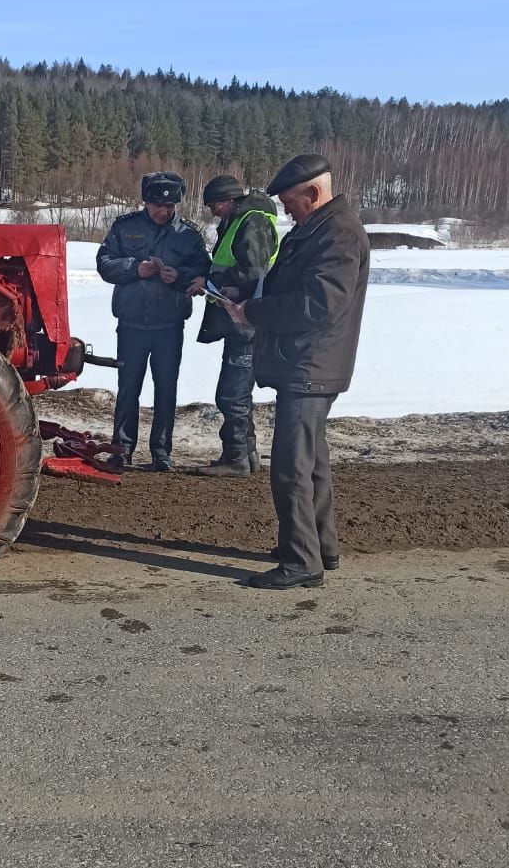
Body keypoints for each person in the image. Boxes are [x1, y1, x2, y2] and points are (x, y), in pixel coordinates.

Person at [220, 154, 370, 589]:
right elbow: (286, 284)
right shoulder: (315, 229)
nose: (285, 210)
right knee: (312, 461)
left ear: (313, 192)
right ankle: (320, 546)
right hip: (306, 362)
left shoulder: (339, 233)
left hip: (312, 364)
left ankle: (301, 561)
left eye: (289, 201)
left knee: (289, 466)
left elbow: (319, 304)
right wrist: (245, 293)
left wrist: (255, 312)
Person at [96, 172, 210, 471]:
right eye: (158, 205)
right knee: (128, 387)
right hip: (132, 323)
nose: (164, 211)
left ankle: (161, 453)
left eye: (170, 206)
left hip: (169, 325)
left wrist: (181, 278)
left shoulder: (188, 234)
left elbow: (203, 271)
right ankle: (122, 449)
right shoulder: (125, 227)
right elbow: (105, 263)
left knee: (166, 388)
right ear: (146, 202)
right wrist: (134, 268)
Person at [187, 175, 279, 475]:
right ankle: (246, 456)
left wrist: (212, 282)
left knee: (231, 394)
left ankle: (236, 458)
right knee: (236, 392)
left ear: (229, 200)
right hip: (238, 320)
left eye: (215, 205)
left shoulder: (252, 222)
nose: (212, 211)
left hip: (247, 322)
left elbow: (253, 271)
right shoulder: (240, 221)